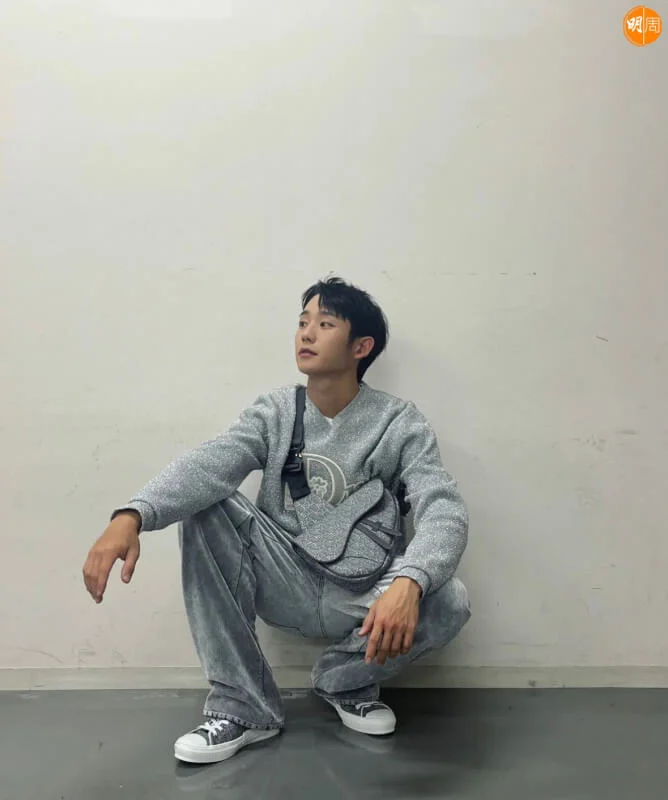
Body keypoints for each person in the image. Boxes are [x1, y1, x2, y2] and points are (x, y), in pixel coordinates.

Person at [82, 275, 471, 764]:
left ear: (361, 347)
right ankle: (245, 709)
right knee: (210, 504)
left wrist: (411, 581)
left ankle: (344, 680)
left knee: (450, 600)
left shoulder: (399, 422)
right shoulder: (276, 411)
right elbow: (212, 462)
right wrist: (133, 514)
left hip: (364, 591)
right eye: (303, 322)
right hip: (283, 576)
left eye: (325, 324)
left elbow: (443, 506)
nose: (306, 333)